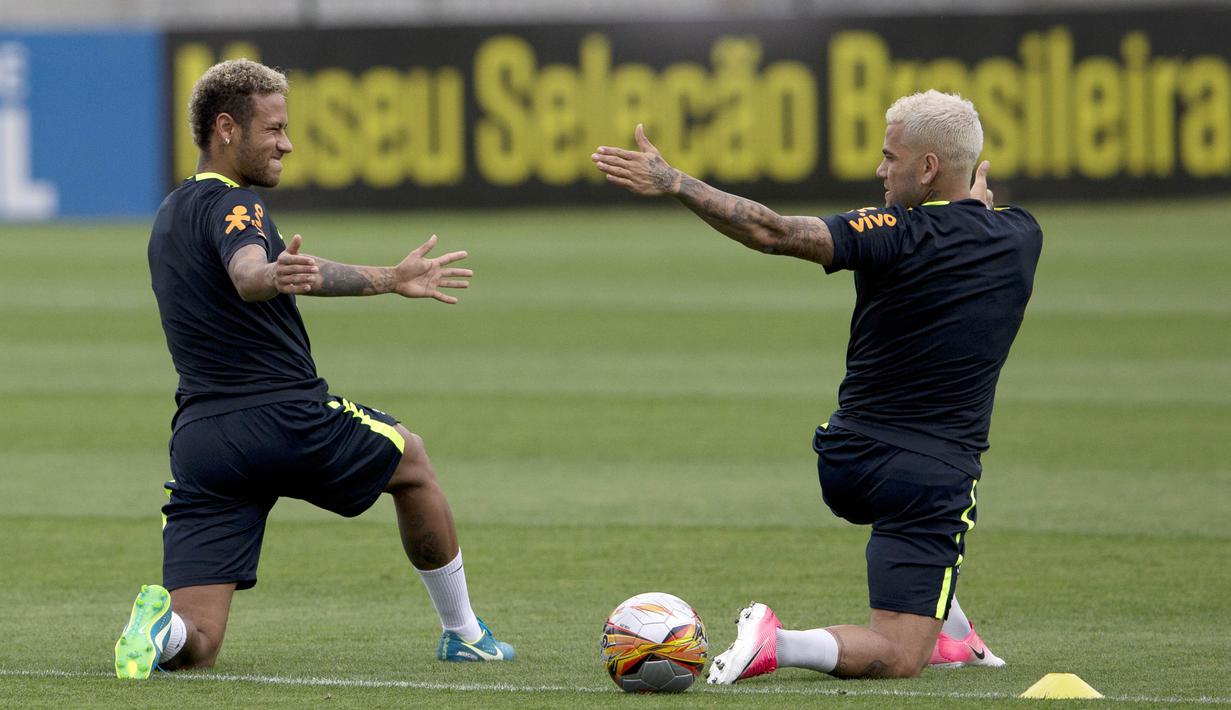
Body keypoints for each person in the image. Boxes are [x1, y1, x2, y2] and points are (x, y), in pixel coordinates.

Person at [591, 90, 1040, 681]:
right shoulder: (1022, 237)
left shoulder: (892, 232)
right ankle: (780, 641)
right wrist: (971, 208)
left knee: (928, 562)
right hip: (927, 477)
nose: (880, 169)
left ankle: (955, 633)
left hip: (848, 461)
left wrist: (676, 182)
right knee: (901, 653)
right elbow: (973, 222)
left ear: (928, 167)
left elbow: (772, 231)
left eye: (890, 157)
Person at [114, 59, 514, 680]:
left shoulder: (171, 213)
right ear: (226, 129)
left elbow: (280, 265)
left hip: (203, 440)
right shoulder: (237, 204)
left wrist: (388, 278)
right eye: (273, 128)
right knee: (412, 463)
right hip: (284, 416)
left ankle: (160, 630)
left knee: (201, 642)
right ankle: (464, 633)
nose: (287, 143)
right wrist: (266, 276)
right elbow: (250, 270)